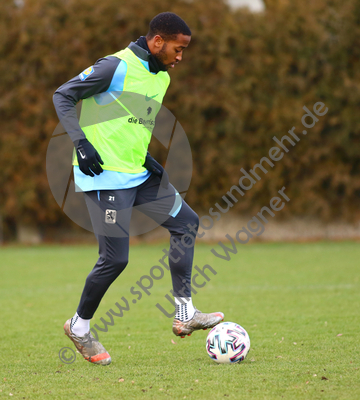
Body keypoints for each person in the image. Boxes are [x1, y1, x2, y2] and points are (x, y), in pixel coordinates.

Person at [53, 12, 224, 366]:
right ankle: (79, 327)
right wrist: (81, 144)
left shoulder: (160, 78)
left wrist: (146, 159)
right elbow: (63, 96)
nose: (180, 57)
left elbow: (126, 123)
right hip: (105, 176)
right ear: (157, 41)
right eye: (178, 49)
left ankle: (185, 313)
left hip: (137, 173)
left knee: (186, 223)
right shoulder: (114, 66)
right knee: (115, 259)